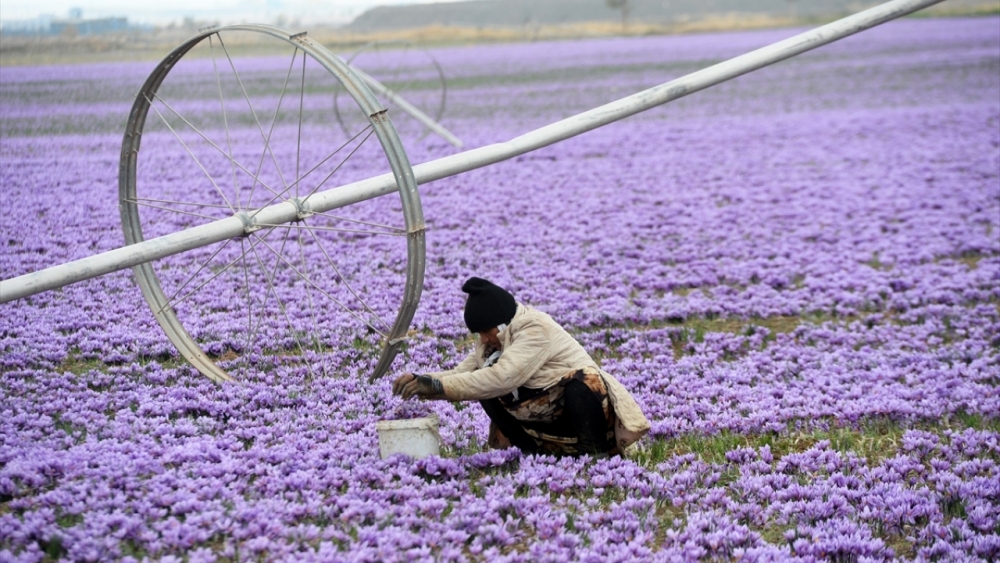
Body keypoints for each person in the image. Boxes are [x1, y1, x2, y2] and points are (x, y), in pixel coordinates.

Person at [392, 277, 650, 457]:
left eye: (485, 332)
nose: (482, 339)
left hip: (577, 414)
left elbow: (503, 377)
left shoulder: (534, 328)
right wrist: (423, 381)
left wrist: (438, 385)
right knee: (481, 384)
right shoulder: (492, 343)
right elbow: (463, 375)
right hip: (543, 420)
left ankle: (593, 454)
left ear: (502, 324)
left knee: (584, 380)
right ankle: (530, 451)